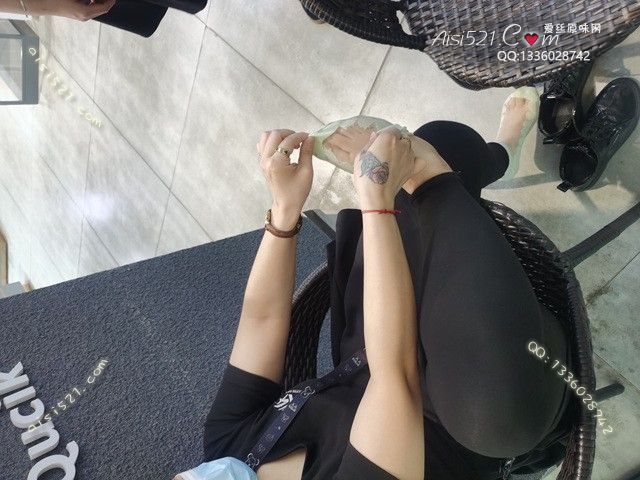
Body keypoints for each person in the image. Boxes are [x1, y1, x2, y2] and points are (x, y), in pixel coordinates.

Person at [178, 91, 573, 480]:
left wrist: (284, 209)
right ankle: (436, 180)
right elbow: (395, 382)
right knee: (497, 419)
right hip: (460, 410)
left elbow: (261, 318)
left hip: (368, 358)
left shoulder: (226, 445)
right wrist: (379, 198)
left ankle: (499, 154)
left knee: (437, 142)